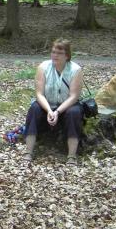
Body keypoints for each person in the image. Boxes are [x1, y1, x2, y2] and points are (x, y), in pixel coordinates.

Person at [23, 38, 84, 166]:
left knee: (74, 113)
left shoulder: (75, 70)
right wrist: (50, 111)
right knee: (34, 108)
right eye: (53, 52)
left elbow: (74, 96)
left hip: (67, 105)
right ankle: (28, 151)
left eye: (59, 53)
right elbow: (39, 93)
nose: (55, 55)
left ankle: (72, 155)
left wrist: (58, 111)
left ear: (67, 56)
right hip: (47, 104)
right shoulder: (43, 67)